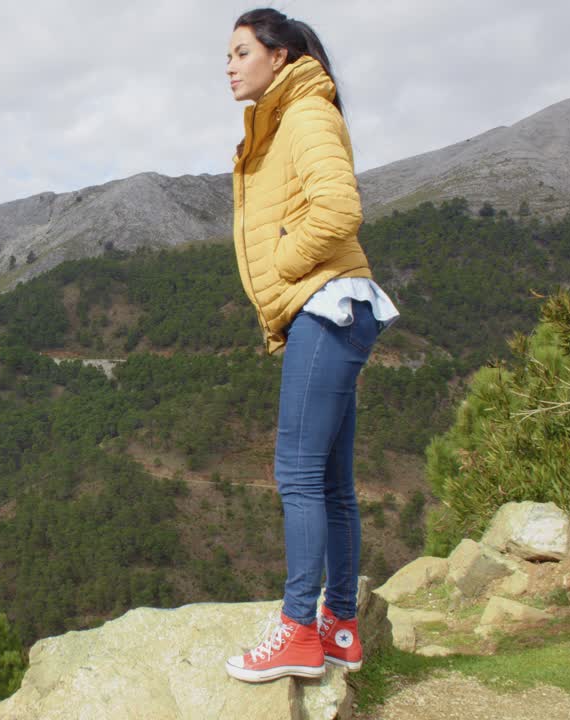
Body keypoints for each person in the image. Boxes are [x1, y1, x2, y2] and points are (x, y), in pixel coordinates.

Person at [220, 8, 400, 683]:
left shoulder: (306, 115)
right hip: (333, 309)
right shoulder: (286, 119)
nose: (231, 66)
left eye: (242, 51)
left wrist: (282, 263)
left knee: (297, 474)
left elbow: (339, 210)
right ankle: (341, 628)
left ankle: (298, 630)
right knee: (332, 484)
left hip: (325, 308)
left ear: (282, 55)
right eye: (228, 57)